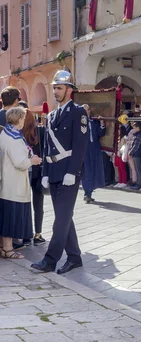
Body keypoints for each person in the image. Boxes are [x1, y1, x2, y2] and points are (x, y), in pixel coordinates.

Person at [31, 70, 88, 275]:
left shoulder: (78, 112)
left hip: (68, 174)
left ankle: (50, 260)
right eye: (54, 87)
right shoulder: (52, 115)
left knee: (61, 220)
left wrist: (73, 172)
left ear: (69, 90)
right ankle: (74, 257)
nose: (55, 91)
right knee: (64, 217)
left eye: (59, 87)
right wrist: (45, 171)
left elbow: (80, 146)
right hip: (53, 171)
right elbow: (47, 146)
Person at [0, 107, 42, 259]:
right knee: (11, 217)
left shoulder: (6, 133)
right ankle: (8, 249)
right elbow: (20, 162)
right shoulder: (15, 138)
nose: (24, 121)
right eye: (23, 118)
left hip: (6, 182)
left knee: (6, 216)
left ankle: (4, 247)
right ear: (18, 120)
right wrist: (33, 160)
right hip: (14, 183)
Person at [22, 109, 46, 246]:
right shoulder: (40, 131)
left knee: (25, 203)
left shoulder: (19, 133)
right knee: (38, 204)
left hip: (24, 170)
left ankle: (26, 234)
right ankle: (38, 233)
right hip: (39, 170)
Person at [81, 105, 106, 203]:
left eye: (88, 109)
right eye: (84, 110)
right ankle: (86, 192)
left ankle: (89, 192)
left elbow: (101, 133)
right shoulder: (79, 123)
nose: (87, 111)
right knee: (86, 171)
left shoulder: (94, 122)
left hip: (94, 148)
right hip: (84, 149)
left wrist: (102, 124)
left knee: (95, 169)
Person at [129, 122, 141, 190]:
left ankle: (140, 183)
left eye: (135, 127)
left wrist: (130, 152)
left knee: (138, 169)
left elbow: (136, 146)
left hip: (138, 155)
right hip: (136, 154)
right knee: (136, 169)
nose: (134, 129)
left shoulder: (139, 136)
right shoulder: (136, 135)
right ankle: (138, 183)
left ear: (138, 128)